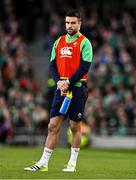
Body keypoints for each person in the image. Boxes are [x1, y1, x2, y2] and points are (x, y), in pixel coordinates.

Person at [24, 9, 93, 172]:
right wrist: (59, 82)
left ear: (79, 23)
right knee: (52, 125)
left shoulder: (85, 42)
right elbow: (53, 65)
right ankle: (43, 163)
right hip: (61, 90)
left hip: (77, 89)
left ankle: (72, 164)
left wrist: (68, 81)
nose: (69, 25)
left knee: (75, 127)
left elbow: (85, 67)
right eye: (67, 22)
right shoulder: (59, 42)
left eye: (73, 23)